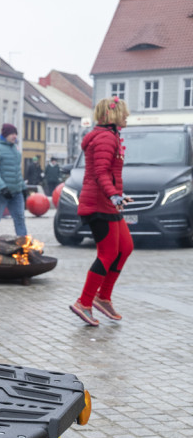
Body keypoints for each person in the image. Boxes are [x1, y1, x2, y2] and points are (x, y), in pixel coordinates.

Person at [69, 97, 133, 326]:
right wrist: (113, 194)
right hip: (98, 204)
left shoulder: (111, 136)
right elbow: (101, 172)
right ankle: (84, 302)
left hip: (108, 203)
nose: (127, 116)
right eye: (124, 113)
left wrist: (116, 196)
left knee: (125, 248)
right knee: (107, 254)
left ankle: (103, 297)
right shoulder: (106, 138)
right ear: (113, 115)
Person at [0, 123, 27, 252]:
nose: (15, 136)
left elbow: (17, 171)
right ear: (5, 135)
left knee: (20, 218)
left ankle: (24, 246)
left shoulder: (15, 148)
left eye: (15, 134)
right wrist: (2, 187)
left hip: (16, 192)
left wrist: (23, 187)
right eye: (12, 134)